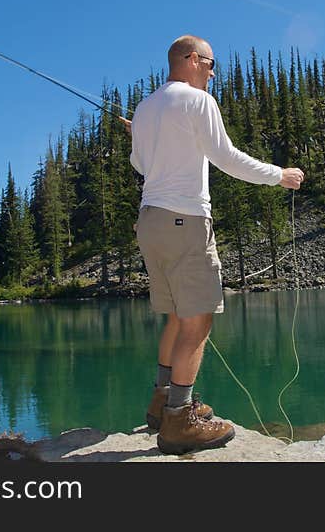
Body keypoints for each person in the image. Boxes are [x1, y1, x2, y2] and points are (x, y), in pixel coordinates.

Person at [125, 34, 304, 455]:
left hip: (150, 223)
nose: (212, 72)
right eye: (209, 63)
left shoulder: (145, 107)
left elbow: (140, 164)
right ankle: (179, 422)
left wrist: (143, 135)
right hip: (185, 220)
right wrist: (280, 175)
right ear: (190, 59)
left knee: (175, 315)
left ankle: (161, 402)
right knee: (197, 322)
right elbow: (225, 157)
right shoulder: (198, 101)